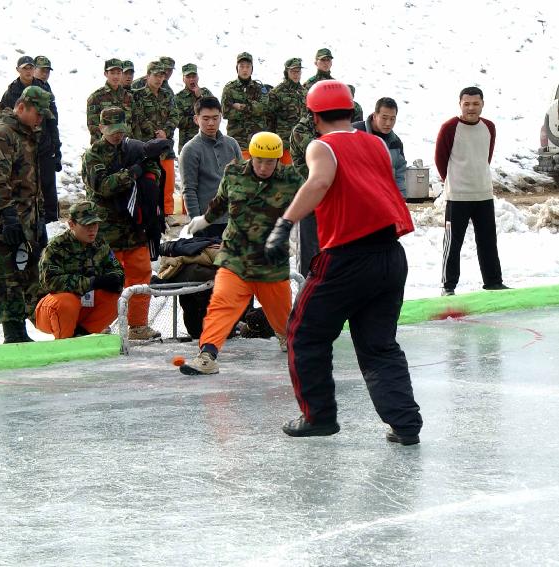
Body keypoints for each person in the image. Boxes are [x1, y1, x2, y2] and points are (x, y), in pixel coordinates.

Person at [265, 80, 422, 445]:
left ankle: (318, 416)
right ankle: (405, 424)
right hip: (390, 256)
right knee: (379, 345)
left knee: (304, 335)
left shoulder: (322, 146)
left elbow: (319, 183)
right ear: (352, 112)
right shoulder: (378, 143)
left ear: (314, 117)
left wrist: (284, 223)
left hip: (348, 259)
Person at [179, 131, 301, 375]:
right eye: (259, 160)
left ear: (279, 160)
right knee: (221, 304)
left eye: (270, 162)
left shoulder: (291, 178)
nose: (264, 167)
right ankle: (208, 355)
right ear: (251, 156)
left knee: (283, 320)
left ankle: (287, 337)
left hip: (270, 264)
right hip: (235, 257)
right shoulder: (234, 173)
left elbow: (317, 196)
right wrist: (204, 220)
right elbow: (221, 200)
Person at [0, 85, 53, 343]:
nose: (40, 120)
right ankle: (13, 332)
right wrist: (8, 216)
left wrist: (40, 217)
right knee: (8, 279)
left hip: (28, 221)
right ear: (21, 107)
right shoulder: (2, 135)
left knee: (30, 276)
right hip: (5, 223)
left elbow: (31, 183)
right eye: (38, 113)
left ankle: (32, 326)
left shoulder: (26, 135)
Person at [81, 107, 162, 341]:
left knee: (140, 274)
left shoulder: (134, 148)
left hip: (134, 226)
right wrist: (132, 174)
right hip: (106, 228)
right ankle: (98, 324)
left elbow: (153, 168)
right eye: (112, 130)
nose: (117, 135)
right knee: (107, 278)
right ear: (101, 129)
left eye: (121, 130)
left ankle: (137, 326)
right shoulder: (94, 155)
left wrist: (148, 178)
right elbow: (104, 186)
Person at [436, 86, 508, 296]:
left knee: (487, 240)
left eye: (476, 104)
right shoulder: (449, 127)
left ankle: (494, 282)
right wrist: (453, 181)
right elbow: (441, 159)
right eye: (466, 104)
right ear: (460, 104)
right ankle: (448, 286)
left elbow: (486, 156)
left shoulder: (489, 127)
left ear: (482, 104)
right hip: (457, 195)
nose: (471, 108)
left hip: (483, 192)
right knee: (453, 243)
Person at [36, 201, 124, 339]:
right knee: (67, 302)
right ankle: (64, 343)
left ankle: (83, 335)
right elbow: (49, 282)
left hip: (85, 308)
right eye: (86, 225)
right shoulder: (56, 247)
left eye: (95, 224)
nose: (92, 229)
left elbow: (116, 269)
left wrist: (114, 279)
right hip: (52, 310)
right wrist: (91, 283)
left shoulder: (100, 244)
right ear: (71, 224)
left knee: (117, 299)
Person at [179, 96, 241, 237]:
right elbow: (189, 190)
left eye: (215, 118)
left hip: (233, 219)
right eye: (205, 119)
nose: (211, 123)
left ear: (221, 117)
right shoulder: (190, 149)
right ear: (196, 119)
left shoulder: (232, 144)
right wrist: (197, 224)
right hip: (207, 222)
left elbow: (243, 182)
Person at [133, 61, 177, 216]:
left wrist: (165, 132)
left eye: (162, 76)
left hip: (165, 146)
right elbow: (138, 117)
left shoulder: (167, 95)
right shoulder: (137, 95)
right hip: (146, 147)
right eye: (156, 75)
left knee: (167, 181)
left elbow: (174, 115)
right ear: (147, 76)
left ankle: (167, 213)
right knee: (148, 182)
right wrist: (155, 134)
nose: (159, 79)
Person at [353, 97, 407, 197]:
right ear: (375, 116)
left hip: (382, 199)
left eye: (392, 119)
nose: (388, 123)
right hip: (355, 198)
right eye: (384, 118)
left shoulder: (396, 143)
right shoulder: (354, 133)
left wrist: (401, 198)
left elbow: (400, 173)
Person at [289, 113, 321, 277]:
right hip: (309, 194)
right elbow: (319, 152)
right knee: (309, 249)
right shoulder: (302, 129)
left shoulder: (334, 125)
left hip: (330, 195)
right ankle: (306, 290)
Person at [221, 52, 269, 159]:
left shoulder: (259, 88)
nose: (245, 69)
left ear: (252, 69)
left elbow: (264, 108)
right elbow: (226, 112)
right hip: (237, 139)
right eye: (241, 66)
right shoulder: (229, 88)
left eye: (248, 66)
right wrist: (253, 109)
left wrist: (241, 107)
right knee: (238, 171)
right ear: (237, 68)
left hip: (257, 138)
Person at [32, 55, 63, 222]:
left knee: (49, 184)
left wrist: (56, 148)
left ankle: (51, 218)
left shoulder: (46, 87)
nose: (45, 73)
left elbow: (52, 122)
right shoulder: (30, 89)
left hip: (48, 142)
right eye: (42, 70)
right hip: (35, 145)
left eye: (47, 71)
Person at [86, 58, 136, 144]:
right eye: (112, 73)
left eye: (119, 73)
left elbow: (135, 123)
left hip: (126, 147)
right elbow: (93, 127)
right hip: (105, 147)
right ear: (105, 74)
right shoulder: (96, 97)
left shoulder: (129, 97)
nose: (116, 76)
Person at [268, 58, 307, 166]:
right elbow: (269, 118)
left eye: (298, 71)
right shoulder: (277, 92)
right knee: (286, 176)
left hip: (302, 143)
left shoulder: (304, 92)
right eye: (292, 71)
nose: (296, 74)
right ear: (286, 72)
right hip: (285, 143)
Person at [174, 63, 214, 152]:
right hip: (188, 144)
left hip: (208, 142)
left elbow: (215, 111)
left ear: (198, 77)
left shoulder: (206, 93)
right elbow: (178, 121)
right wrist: (199, 120)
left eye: (194, 76)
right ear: (183, 79)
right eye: (188, 77)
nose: (192, 79)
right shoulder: (178, 98)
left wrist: (200, 98)